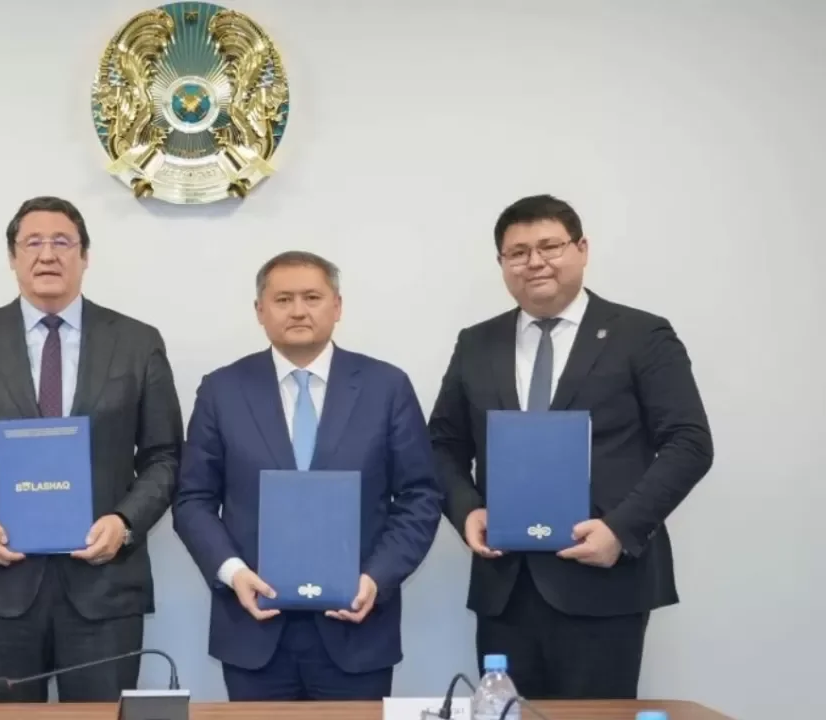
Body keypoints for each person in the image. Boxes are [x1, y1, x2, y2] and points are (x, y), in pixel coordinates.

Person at [428, 194, 714, 700]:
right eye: (518, 252)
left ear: (582, 249)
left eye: (550, 246)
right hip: (506, 586)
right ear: (501, 263)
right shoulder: (477, 342)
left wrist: (620, 529)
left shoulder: (641, 334)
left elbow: (689, 442)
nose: (534, 262)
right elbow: (442, 445)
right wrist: (467, 509)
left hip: (604, 579)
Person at [0, 196, 184, 703]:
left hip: (104, 588)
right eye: (32, 242)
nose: (48, 254)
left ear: (85, 256)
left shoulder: (137, 342)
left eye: (62, 242)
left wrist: (124, 523)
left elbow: (164, 455)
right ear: (12, 257)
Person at [172, 251, 443, 701]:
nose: (298, 310)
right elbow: (192, 500)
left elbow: (420, 496)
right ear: (260, 310)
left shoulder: (386, 386)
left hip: (357, 628)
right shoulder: (221, 389)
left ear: (337, 306)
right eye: (283, 299)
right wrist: (233, 573)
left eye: (312, 297)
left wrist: (376, 578)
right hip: (253, 628)